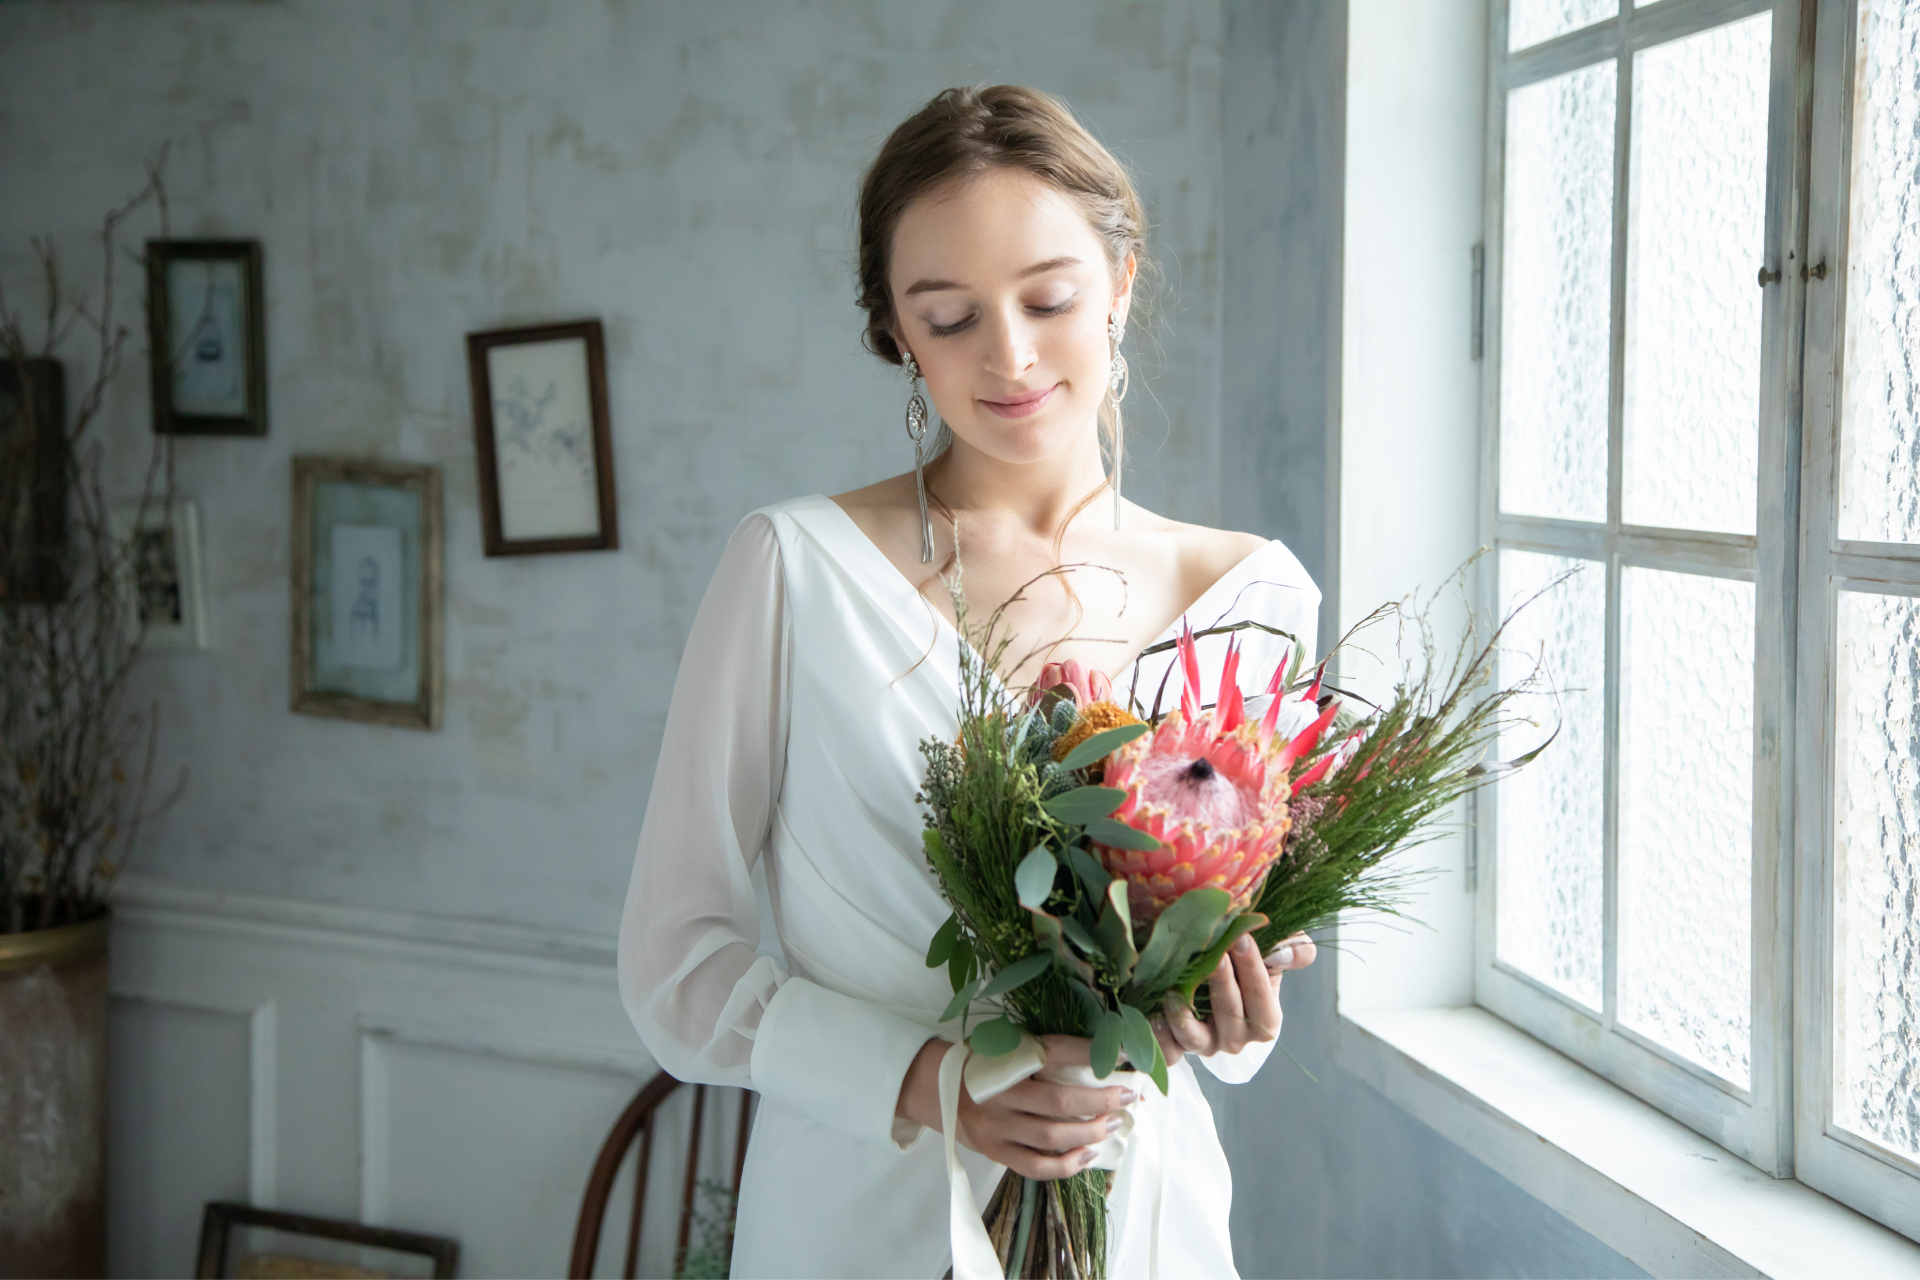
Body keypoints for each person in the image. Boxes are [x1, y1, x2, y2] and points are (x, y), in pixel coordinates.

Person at [618, 84, 1320, 1280]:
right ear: (895, 331)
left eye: (1048, 298)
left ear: (1122, 283)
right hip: (858, 1218)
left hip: (1146, 1222)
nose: (1010, 355)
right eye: (948, 318)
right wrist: (933, 1083)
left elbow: (1242, 998)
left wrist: (1230, 1011)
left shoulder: (1253, 600)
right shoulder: (795, 569)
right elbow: (674, 963)